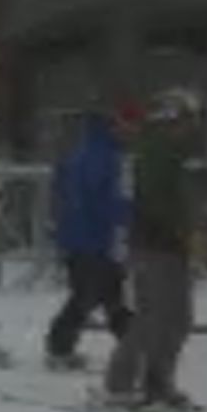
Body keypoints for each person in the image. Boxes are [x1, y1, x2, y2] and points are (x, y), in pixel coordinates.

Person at [101, 87, 204, 411]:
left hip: (172, 245)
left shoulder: (174, 153)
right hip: (153, 244)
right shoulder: (156, 150)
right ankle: (121, 383)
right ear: (172, 118)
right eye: (189, 119)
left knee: (179, 319)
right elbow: (156, 201)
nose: (193, 127)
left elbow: (178, 201)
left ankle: (159, 384)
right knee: (153, 317)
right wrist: (179, 230)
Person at [43, 108, 135, 370]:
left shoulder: (86, 153)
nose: (131, 132)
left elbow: (65, 187)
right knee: (89, 296)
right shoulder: (101, 156)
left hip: (84, 236)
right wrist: (127, 215)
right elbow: (101, 199)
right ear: (113, 127)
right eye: (127, 125)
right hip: (91, 237)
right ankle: (59, 347)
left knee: (107, 294)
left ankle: (133, 346)